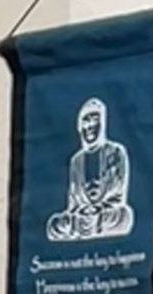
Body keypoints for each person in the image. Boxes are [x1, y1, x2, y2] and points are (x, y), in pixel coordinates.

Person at [46, 97, 133, 243]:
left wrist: (98, 209)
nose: (90, 126)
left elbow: (118, 193)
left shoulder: (116, 152)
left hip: (105, 215)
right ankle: (83, 230)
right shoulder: (76, 161)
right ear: (80, 127)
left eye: (95, 121)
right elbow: (73, 199)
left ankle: (86, 230)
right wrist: (79, 211)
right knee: (55, 224)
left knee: (125, 216)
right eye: (86, 121)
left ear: (103, 124)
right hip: (81, 218)